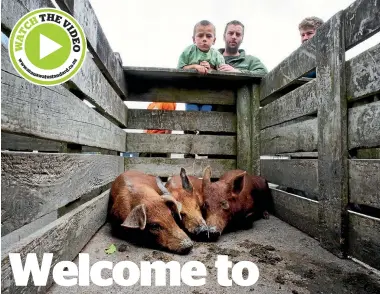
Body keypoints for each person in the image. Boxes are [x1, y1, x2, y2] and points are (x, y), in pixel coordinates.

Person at [177, 20, 225, 112]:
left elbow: (223, 73)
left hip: (209, 93)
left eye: (208, 36)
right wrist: (195, 66)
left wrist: (211, 69)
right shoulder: (188, 51)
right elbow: (180, 68)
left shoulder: (217, 55)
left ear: (214, 40)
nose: (204, 39)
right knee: (192, 114)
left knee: (206, 114)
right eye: (200, 35)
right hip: (190, 92)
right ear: (194, 39)